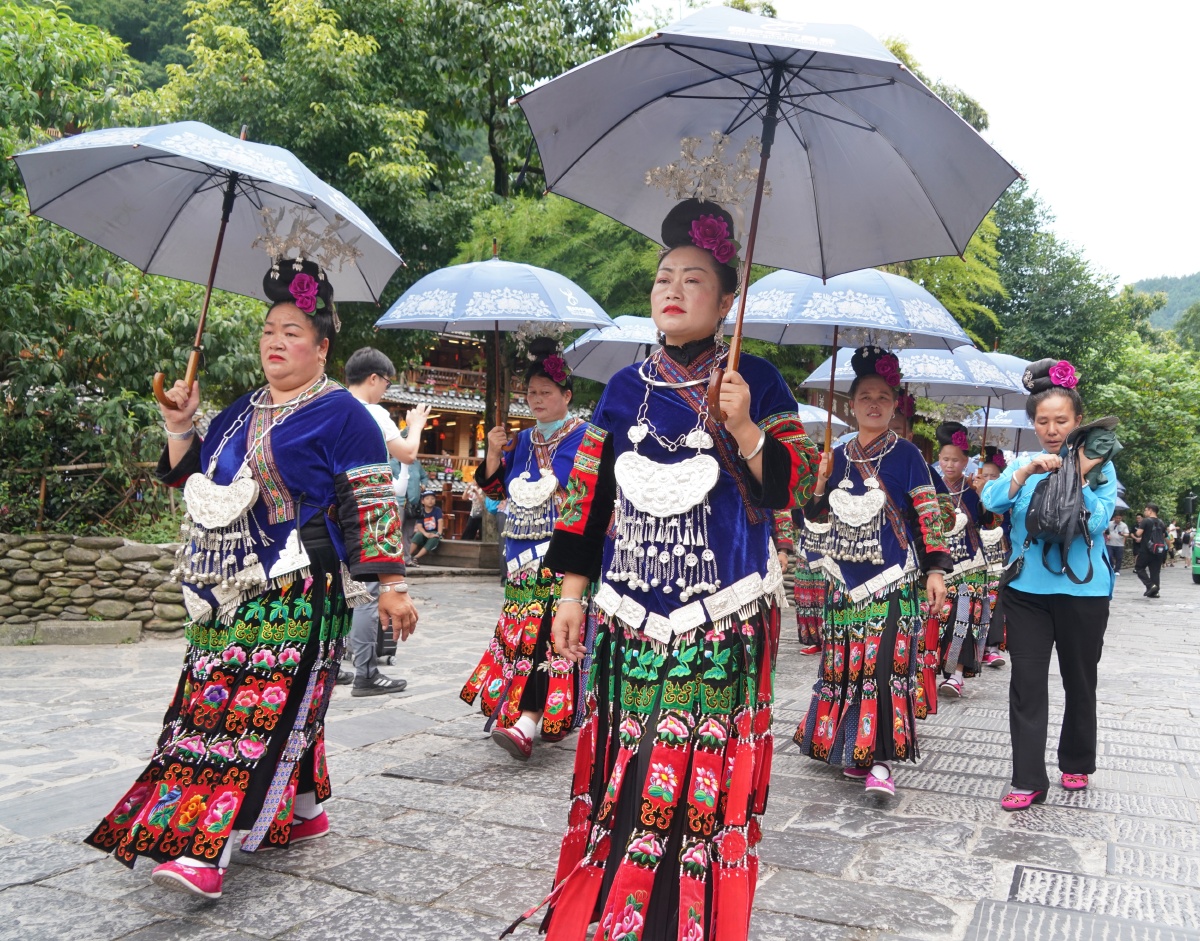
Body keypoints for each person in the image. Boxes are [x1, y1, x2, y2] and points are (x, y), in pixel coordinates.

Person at [512, 199, 819, 941]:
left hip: (722, 616)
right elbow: (588, 499)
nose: (672, 290)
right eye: (662, 278)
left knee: (689, 769)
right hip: (627, 615)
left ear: (727, 300)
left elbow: (799, 487)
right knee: (627, 761)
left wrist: (745, 427)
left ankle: (682, 922)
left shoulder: (759, 379)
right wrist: (571, 594)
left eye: (693, 279)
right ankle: (610, 911)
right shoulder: (625, 388)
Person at [85, 259, 416, 899]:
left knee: (251, 708)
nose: (275, 341)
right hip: (224, 582)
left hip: (299, 581)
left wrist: (391, 585)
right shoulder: (240, 410)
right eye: (269, 330)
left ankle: (205, 847)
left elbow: (370, 501)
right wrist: (180, 423)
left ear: (322, 348)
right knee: (214, 700)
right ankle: (304, 809)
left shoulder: (344, 413)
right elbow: (196, 479)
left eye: (292, 332)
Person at [794, 346, 951, 798]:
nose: (874, 404)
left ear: (895, 404)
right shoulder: (835, 455)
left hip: (893, 578)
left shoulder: (909, 455)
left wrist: (936, 570)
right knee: (845, 663)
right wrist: (816, 483)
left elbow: (927, 515)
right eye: (865, 396)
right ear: (851, 404)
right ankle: (851, 748)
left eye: (883, 396)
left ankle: (880, 759)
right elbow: (811, 516)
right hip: (843, 582)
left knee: (884, 666)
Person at [981, 357, 1117, 811]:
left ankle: (1076, 760)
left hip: (1085, 592)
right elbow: (991, 501)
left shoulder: (1100, 466)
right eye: (1043, 421)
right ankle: (1027, 779)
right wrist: (1025, 474)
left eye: (1061, 420)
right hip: (1027, 593)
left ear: (1078, 421)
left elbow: (1097, 522)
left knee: (1080, 679)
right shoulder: (1024, 462)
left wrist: (1078, 473)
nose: (1052, 429)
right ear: (1033, 424)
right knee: (1027, 682)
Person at [460, 340, 599, 759]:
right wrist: (492, 451)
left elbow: (591, 498)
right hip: (519, 553)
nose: (536, 400)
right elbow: (495, 490)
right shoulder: (521, 440)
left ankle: (529, 720)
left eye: (545, 392)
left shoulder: (588, 438)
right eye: (531, 393)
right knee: (519, 630)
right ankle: (521, 709)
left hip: (562, 552)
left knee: (546, 632)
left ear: (566, 395)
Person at [345, 348, 429, 696]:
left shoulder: (333, 406)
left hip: (333, 511)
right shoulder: (373, 412)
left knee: (340, 591)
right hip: (365, 510)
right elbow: (407, 453)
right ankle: (365, 672)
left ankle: (329, 663)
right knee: (367, 594)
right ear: (373, 378)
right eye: (386, 383)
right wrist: (416, 426)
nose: (385, 390)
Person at [932, 421, 988, 699]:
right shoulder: (930, 488)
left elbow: (991, 523)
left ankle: (956, 674)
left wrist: (983, 496)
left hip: (969, 565)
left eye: (955, 460)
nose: (950, 464)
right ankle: (927, 670)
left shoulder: (973, 489)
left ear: (966, 462)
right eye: (945, 459)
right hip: (937, 565)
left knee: (962, 619)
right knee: (933, 617)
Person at [975, 446, 1011, 668]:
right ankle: (975, 646)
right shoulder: (970, 494)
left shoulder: (1008, 497)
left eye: (994, 476)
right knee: (977, 598)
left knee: (996, 599)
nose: (988, 479)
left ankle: (993, 647)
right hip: (977, 554)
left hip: (1000, 553)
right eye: (985, 475)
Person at [1134, 503, 1168, 598]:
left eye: (1145, 510)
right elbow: (1164, 535)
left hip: (1146, 550)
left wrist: (1137, 533)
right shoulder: (1161, 522)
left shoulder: (1146, 521)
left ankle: (1150, 585)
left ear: (1150, 510)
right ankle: (1155, 592)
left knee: (1139, 568)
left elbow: (1138, 533)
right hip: (1158, 550)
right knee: (1155, 571)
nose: (1144, 512)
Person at [409, 489, 444, 563]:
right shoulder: (421, 511)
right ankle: (407, 555)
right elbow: (419, 526)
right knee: (418, 535)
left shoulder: (437, 510)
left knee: (434, 538)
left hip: (434, 532)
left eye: (432, 498)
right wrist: (426, 534)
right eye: (427, 498)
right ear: (422, 501)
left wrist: (439, 533)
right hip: (424, 533)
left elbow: (440, 522)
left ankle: (416, 557)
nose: (430, 500)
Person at [1104, 511, 1129, 577]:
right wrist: (1107, 535)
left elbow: (1127, 534)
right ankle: (1111, 566)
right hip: (1110, 543)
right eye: (1117, 518)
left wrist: (1123, 534)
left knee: (1119, 558)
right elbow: (1104, 530)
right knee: (1109, 556)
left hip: (1119, 544)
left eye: (1119, 518)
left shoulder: (1124, 525)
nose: (1118, 519)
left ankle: (1117, 570)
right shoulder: (1109, 523)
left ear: (1121, 518)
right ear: (1114, 518)